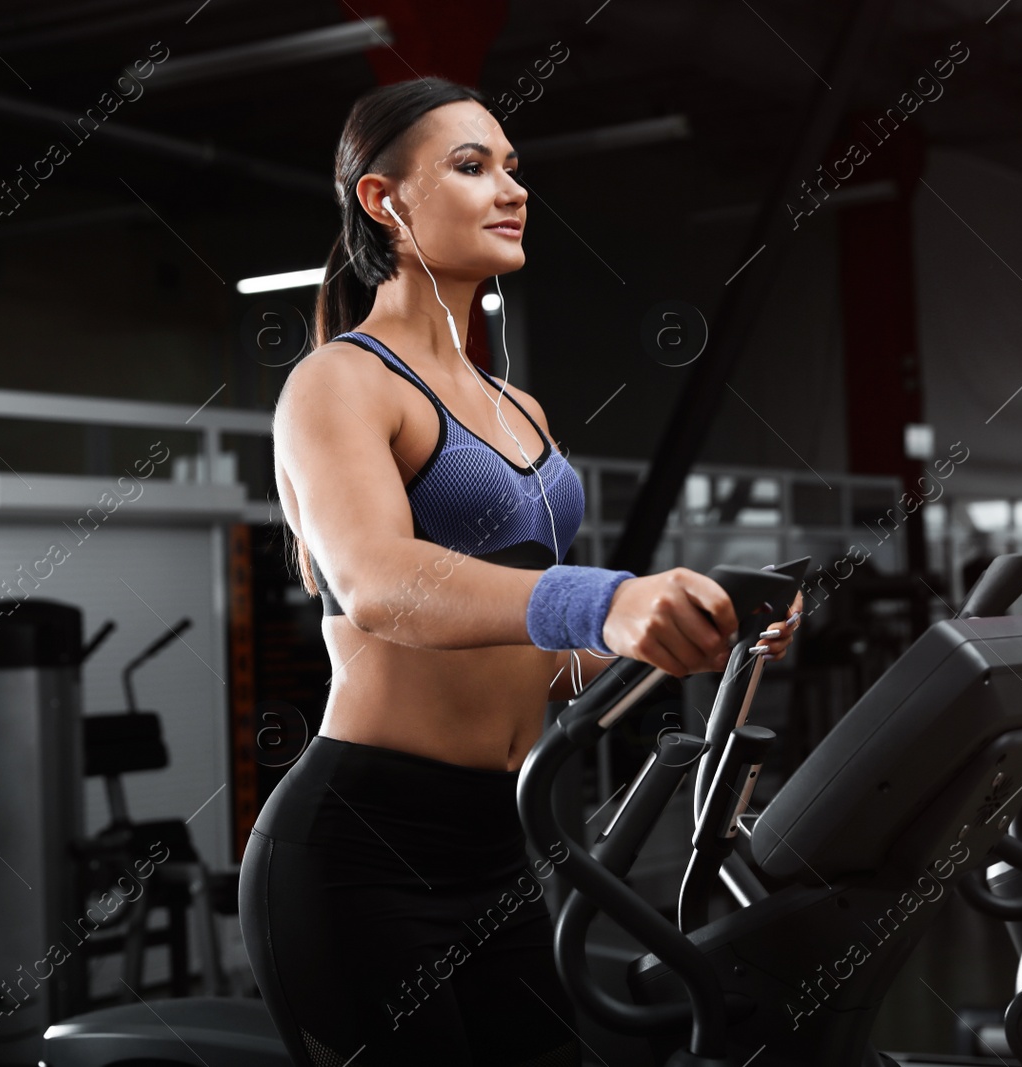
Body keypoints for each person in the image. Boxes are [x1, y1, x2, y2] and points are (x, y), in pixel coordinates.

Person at [240, 76, 804, 1067]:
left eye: (512, 167)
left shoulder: (521, 408)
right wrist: (605, 600)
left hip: (500, 842)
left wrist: (682, 629)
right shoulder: (340, 381)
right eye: (470, 166)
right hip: (360, 848)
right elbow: (378, 583)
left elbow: (540, 647)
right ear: (384, 200)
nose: (511, 187)